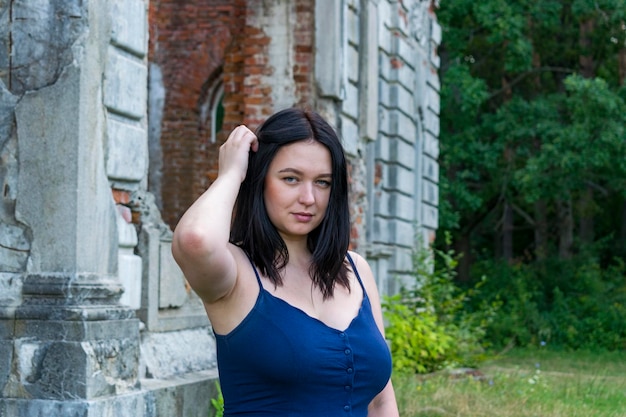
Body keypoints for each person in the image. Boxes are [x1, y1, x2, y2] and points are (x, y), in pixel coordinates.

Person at [172, 108, 399, 417]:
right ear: (260, 180)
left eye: (322, 182)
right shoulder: (236, 273)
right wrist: (232, 174)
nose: (309, 197)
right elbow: (195, 240)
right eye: (290, 178)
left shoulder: (356, 270)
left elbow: (380, 402)